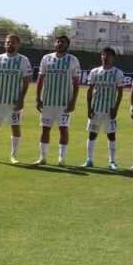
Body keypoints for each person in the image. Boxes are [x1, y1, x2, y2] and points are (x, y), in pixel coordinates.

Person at [0, 33, 32, 164]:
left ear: (18, 45)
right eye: (8, 42)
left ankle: (14, 155)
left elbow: (26, 81)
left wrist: (21, 99)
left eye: (13, 42)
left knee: (15, 127)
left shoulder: (23, 60)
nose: (10, 44)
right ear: (5, 44)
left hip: (14, 102)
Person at [34, 35, 81, 166]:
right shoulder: (46, 58)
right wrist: (38, 98)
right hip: (48, 102)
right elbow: (40, 79)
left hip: (64, 103)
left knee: (63, 129)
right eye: (58, 41)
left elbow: (76, 83)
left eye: (63, 42)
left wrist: (73, 102)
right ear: (55, 43)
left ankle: (61, 159)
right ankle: (43, 158)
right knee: (45, 129)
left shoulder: (73, 60)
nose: (60, 44)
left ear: (67, 45)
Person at [84, 47, 124, 170]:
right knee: (92, 134)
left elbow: (120, 92)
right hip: (96, 108)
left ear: (113, 58)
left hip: (109, 110)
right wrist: (89, 108)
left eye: (108, 55)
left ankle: (112, 161)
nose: (105, 57)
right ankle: (89, 159)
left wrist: (116, 108)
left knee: (111, 135)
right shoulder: (95, 72)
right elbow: (90, 91)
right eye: (103, 55)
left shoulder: (117, 73)